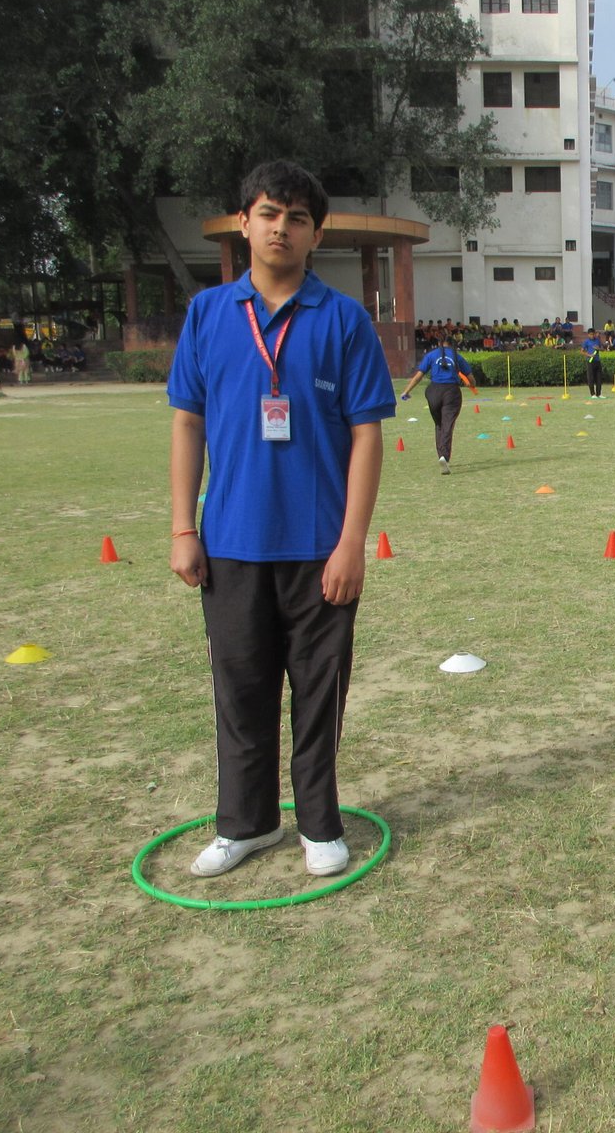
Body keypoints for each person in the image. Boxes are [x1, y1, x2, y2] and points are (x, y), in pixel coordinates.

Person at [168, 160, 397, 879]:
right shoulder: (209, 314)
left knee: (318, 694)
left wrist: (352, 542)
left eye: (297, 219)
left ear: (315, 234)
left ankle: (319, 825)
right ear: (244, 222)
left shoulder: (343, 319)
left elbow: (367, 434)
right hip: (231, 544)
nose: (281, 229)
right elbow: (187, 424)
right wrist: (183, 529)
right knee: (240, 691)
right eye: (268, 214)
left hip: (319, 547)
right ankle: (247, 823)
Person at [400, 327, 473, 475]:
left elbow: (419, 376)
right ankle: (444, 456)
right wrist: (471, 384)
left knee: (439, 424)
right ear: (452, 343)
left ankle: (441, 455)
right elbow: (471, 379)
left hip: (433, 392)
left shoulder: (431, 355)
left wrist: (406, 391)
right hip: (451, 392)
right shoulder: (457, 356)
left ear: (439, 343)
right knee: (447, 425)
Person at [581, 326, 604, 397]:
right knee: (591, 378)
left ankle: (599, 394)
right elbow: (582, 351)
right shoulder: (586, 342)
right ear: (588, 334)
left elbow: (602, 349)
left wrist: (598, 348)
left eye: (593, 334)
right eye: (591, 334)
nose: (592, 336)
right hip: (590, 362)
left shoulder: (597, 340)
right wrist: (589, 355)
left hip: (597, 361)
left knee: (599, 378)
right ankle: (592, 394)